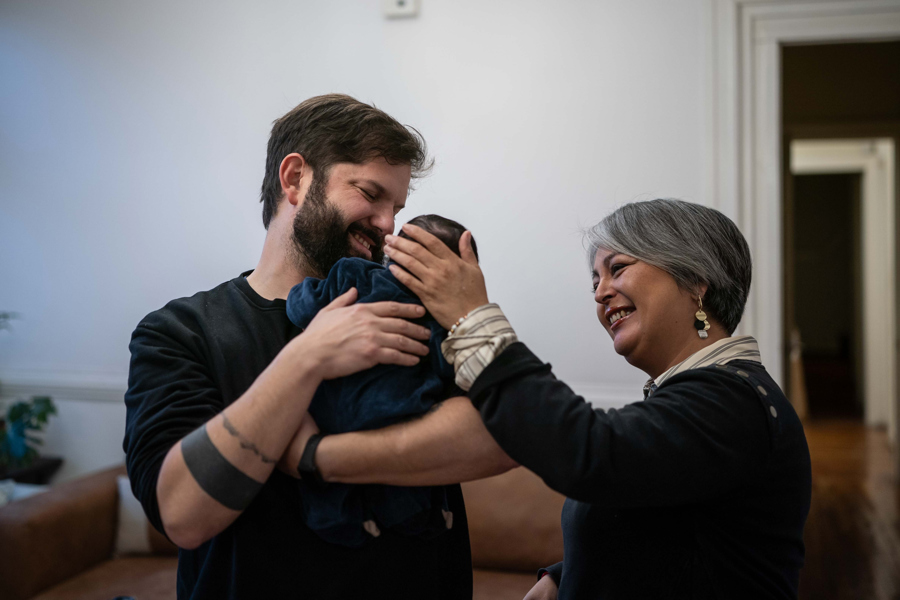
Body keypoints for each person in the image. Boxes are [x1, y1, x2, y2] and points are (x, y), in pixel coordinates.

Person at [122, 94, 513, 599]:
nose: (387, 224)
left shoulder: (416, 302)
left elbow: (509, 435)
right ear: (295, 179)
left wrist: (314, 455)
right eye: (371, 193)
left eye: (396, 207)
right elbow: (183, 514)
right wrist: (307, 357)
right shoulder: (180, 331)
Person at [363, 198, 813, 599]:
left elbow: (591, 453)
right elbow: (665, 528)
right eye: (594, 280)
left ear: (696, 280)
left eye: (617, 268)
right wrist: (563, 577)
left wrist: (470, 317)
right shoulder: (701, 396)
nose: (600, 293)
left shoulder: (733, 403)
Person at [284, 215, 478, 548]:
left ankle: (339, 520)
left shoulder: (354, 274)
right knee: (405, 486)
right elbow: (456, 373)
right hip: (399, 414)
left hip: (335, 410)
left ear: (393, 251)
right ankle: (423, 516)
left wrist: (310, 318)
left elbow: (303, 303)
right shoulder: (441, 319)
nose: (386, 223)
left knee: (327, 496)